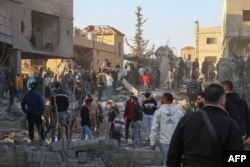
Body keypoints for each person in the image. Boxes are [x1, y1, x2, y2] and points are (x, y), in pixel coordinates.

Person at [167, 84, 244, 167]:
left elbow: (173, 153)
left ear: (204, 100)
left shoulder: (186, 120)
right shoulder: (231, 125)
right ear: (222, 101)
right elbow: (237, 159)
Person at [150, 93, 184, 166]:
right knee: (176, 163)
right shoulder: (180, 112)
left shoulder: (158, 112)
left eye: (162, 98)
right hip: (177, 142)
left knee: (165, 163)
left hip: (164, 141)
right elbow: (183, 128)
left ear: (166, 99)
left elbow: (154, 128)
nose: (160, 100)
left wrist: (153, 142)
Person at [221, 80, 250, 145]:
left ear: (225, 88)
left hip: (230, 133)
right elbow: (248, 117)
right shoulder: (242, 101)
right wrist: (248, 135)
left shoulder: (224, 102)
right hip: (243, 133)